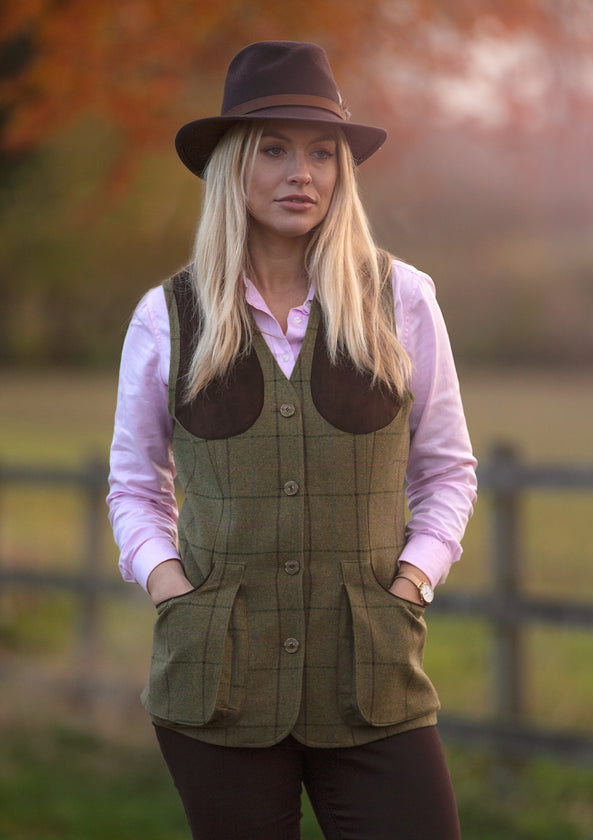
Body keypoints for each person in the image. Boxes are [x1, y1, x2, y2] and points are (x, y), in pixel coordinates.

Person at [107, 40, 477, 840]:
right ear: (234, 166)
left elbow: (447, 470)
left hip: (374, 677)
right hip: (216, 684)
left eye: (320, 152)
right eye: (273, 150)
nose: (299, 173)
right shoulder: (166, 317)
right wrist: (170, 587)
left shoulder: (403, 298)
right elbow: (134, 484)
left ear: (343, 172)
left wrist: (412, 580)